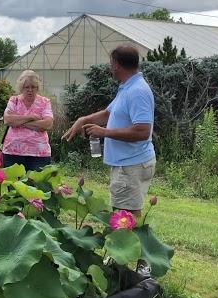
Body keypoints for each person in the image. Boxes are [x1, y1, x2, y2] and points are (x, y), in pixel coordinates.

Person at [62, 44, 155, 275]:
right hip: (126, 163)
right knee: (126, 212)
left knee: (127, 215)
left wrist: (105, 133)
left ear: (116, 64)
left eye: (110, 63)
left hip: (131, 164)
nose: (109, 67)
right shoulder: (127, 87)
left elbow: (143, 130)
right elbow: (108, 114)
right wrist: (83, 119)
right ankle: (124, 261)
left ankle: (140, 265)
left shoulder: (137, 91)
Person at [2, 70, 54, 171]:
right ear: (22, 88)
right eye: (27, 87)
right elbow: (7, 120)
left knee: (37, 185)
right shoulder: (14, 100)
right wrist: (31, 117)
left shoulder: (44, 102)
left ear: (37, 88)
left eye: (33, 87)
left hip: (39, 154)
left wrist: (18, 121)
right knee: (13, 185)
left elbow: (47, 124)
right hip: (13, 152)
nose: (30, 90)